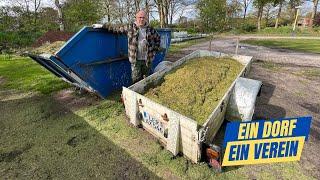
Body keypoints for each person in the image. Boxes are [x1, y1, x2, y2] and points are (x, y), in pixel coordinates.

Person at [93, 10, 161, 83]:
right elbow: (116, 29)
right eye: (140, 17)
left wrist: (155, 49)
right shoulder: (130, 27)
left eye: (143, 17)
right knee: (136, 79)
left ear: (146, 18)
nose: (142, 19)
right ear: (136, 18)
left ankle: (146, 91)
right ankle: (136, 92)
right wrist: (102, 26)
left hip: (147, 59)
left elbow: (158, 38)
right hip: (135, 59)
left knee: (146, 78)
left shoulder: (150, 29)